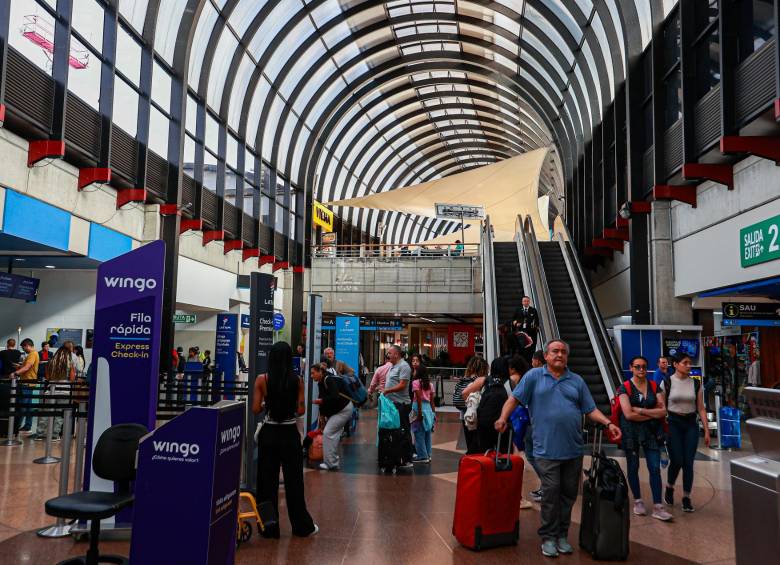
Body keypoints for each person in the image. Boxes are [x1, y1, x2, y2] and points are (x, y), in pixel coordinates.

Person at [495, 339, 621, 558]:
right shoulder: (534, 376)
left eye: (563, 351)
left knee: (568, 494)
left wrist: (608, 423)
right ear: (546, 356)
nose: (559, 355)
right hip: (545, 448)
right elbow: (513, 400)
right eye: (555, 351)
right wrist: (503, 417)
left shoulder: (577, 381)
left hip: (573, 448)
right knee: (552, 493)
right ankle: (549, 537)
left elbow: (590, 409)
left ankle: (562, 534)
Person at [252, 341, 318, 538]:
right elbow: (301, 410)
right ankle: (301, 526)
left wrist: (267, 403)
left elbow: (255, 409)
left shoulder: (261, 379)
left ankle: (269, 528)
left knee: (266, 482)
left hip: (269, 433)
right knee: (294, 481)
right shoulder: (296, 380)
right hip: (289, 434)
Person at [617, 356, 672, 521]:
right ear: (631, 368)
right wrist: (652, 413)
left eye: (643, 367)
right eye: (637, 367)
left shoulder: (654, 387)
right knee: (633, 467)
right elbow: (628, 414)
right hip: (630, 433)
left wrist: (641, 411)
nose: (641, 370)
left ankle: (658, 506)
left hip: (652, 433)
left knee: (654, 468)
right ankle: (638, 501)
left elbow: (663, 411)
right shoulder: (624, 388)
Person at [661, 352, 710, 513]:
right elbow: (661, 408)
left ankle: (687, 497)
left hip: (691, 424)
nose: (689, 365)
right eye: (685, 363)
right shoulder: (667, 382)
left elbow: (701, 408)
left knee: (688, 461)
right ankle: (669, 486)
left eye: (690, 363)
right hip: (673, 423)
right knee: (677, 460)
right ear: (675, 364)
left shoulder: (696, 384)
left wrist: (707, 430)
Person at [508, 355, 542, 505]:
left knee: (531, 454)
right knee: (532, 453)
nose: (532, 361)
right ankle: (546, 485)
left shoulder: (519, 379)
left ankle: (547, 484)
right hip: (531, 420)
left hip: (526, 421)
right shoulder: (532, 377)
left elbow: (515, 399)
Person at [310, 363, 352, 471]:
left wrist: (322, 401)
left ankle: (331, 462)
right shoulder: (321, 382)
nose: (311, 376)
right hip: (342, 409)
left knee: (328, 433)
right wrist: (322, 415)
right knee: (332, 435)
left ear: (320, 372)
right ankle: (332, 462)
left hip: (343, 410)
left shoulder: (328, 380)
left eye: (313, 373)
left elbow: (334, 396)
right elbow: (324, 399)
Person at [31, 343, 74, 441]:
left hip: (50, 391)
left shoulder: (50, 362)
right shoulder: (69, 363)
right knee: (59, 415)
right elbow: (72, 378)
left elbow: (47, 377)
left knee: (46, 413)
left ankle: (40, 434)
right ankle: (55, 435)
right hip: (64, 391)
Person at [382, 345, 414, 470]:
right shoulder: (392, 366)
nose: (388, 355)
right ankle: (397, 457)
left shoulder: (404, 366)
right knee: (395, 432)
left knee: (404, 431)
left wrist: (387, 390)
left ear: (397, 354)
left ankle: (407, 459)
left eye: (390, 353)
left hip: (402, 405)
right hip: (393, 404)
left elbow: (402, 385)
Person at [453, 356, 488, 454]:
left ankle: (470, 461)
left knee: (469, 441)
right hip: (475, 415)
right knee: (476, 443)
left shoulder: (463, 379)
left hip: (464, 415)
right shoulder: (479, 381)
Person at [10, 339, 39, 432]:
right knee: (28, 406)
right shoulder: (33, 354)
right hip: (29, 382)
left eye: (23, 347)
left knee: (22, 405)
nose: (23, 350)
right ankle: (27, 425)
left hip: (27, 383)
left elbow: (28, 367)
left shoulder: (32, 354)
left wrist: (15, 373)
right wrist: (19, 366)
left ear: (27, 345)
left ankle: (16, 427)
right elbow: (26, 366)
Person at [411, 360, 436, 464]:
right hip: (429, 409)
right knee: (427, 432)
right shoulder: (430, 384)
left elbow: (418, 398)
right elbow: (432, 401)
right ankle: (428, 455)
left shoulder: (415, 383)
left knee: (418, 432)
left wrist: (419, 413)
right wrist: (433, 414)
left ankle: (422, 456)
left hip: (418, 408)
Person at [511, 296, 539, 362]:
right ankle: (521, 360)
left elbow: (537, 320)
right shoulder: (518, 310)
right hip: (521, 332)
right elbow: (513, 320)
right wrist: (516, 323)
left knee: (530, 349)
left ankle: (529, 361)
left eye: (527, 301)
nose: (526, 302)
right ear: (522, 302)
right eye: (524, 301)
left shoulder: (533, 310)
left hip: (531, 333)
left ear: (529, 302)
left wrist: (536, 327)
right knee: (521, 348)